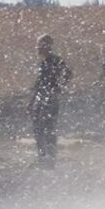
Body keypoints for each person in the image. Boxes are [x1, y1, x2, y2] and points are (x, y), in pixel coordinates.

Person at [29, 33, 72, 167]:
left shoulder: (55, 61)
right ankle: (42, 158)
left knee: (48, 129)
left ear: (46, 46)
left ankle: (50, 159)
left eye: (39, 45)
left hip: (50, 101)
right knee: (38, 129)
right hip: (40, 100)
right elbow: (39, 83)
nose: (37, 48)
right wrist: (32, 102)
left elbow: (68, 74)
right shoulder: (43, 63)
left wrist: (57, 88)